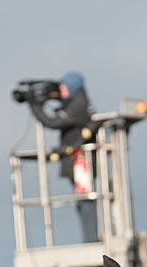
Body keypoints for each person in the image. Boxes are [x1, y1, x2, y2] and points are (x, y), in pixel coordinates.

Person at [26, 70, 98, 242]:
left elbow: (53, 122)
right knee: (84, 200)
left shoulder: (77, 105)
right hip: (77, 160)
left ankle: (91, 238)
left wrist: (34, 105)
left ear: (73, 87)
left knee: (85, 200)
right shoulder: (77, 101)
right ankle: (90, 237)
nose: (62, 90)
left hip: (81, 161)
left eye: (64, 87)